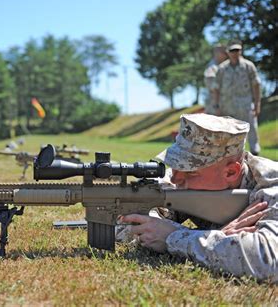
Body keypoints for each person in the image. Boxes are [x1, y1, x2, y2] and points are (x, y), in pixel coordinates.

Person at [119, 113, 277, 282]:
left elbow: (268, 261)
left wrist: (175, 238)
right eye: (175, 164)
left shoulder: (271, 186)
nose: (174, 178)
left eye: (190, 170)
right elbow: (123, 223)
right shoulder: (181, 181)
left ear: (231, 172)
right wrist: (216, 238)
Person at [212, 40, 262, 155]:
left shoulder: (249, 66)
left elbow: (256, 85)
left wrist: (257, 103)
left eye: (237, 50)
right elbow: (216, 88)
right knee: (230, 134)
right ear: (227, 52)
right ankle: (233, 156)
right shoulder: (222, 69)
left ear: (241, 51)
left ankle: (255, 153)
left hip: (246, 105)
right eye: (232, 50)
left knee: (252, 131)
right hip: (228, 107)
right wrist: (216, 105)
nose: (235, 53)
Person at [203, 44, 228, 114]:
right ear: (216, 53)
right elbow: (213, 88)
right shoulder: (212, 68)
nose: (225, 54)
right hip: (215, 105)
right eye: (222, 52)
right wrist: (216, 105)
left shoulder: (223, 66)